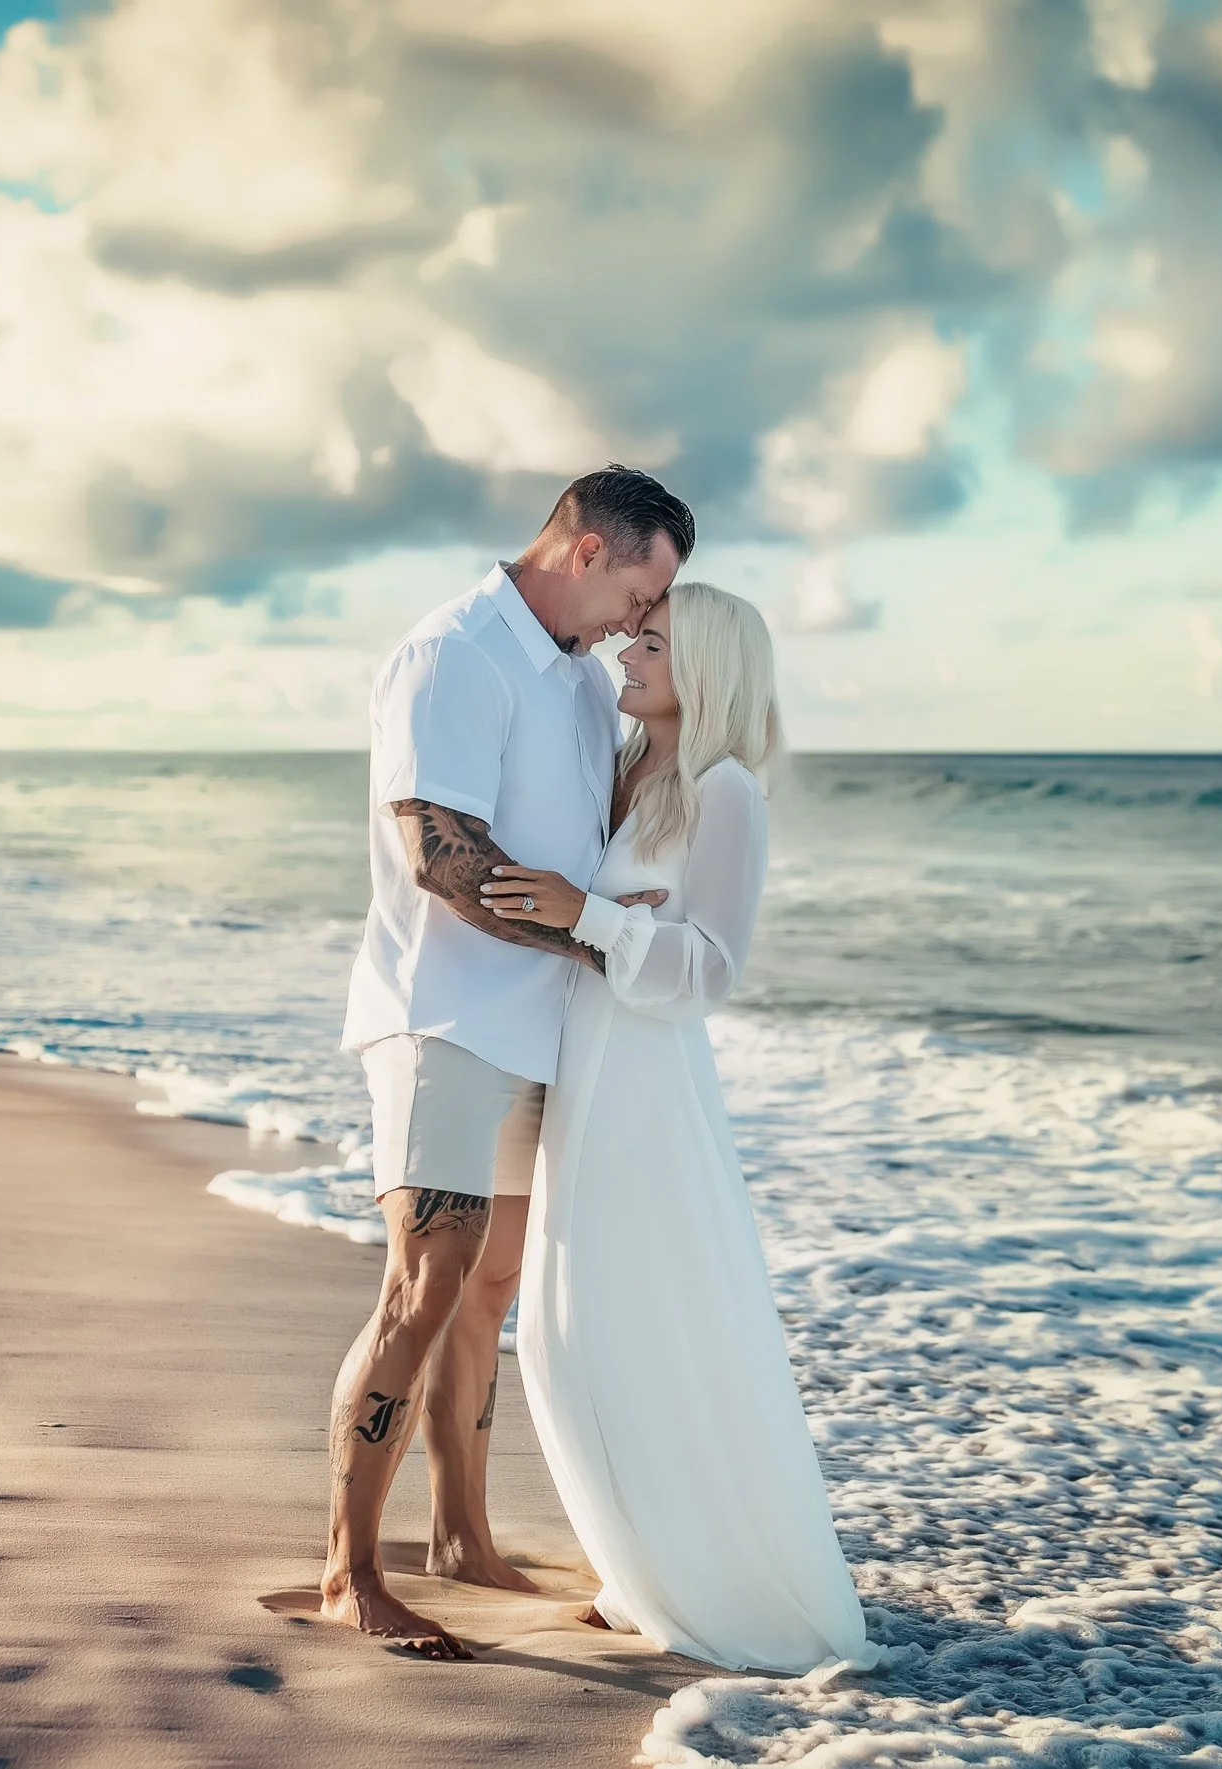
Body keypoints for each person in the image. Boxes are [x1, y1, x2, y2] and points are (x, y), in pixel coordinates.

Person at [324, 465, 693, 1659]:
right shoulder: (451, 655)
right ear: (588, 549)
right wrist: (591, 930)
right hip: (444, 1016)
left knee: (489, 1292)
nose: (646, 618)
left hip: (544, 1027)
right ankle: (348, 1571)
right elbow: (444, 854)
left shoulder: (585, 686)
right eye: (646, 585)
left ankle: (461, 1536)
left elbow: (593, 849)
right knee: (423, 1285)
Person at [480, 583, 880, 1675]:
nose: (627, 650)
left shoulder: (725, 788)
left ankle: (710, 1584)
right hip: (586, 1066)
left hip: (646, 1085)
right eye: (634, 633)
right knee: (571, 1334)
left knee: (624, 1325)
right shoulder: (625, 770)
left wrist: (592, 913)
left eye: (652, 640)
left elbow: (710, 971)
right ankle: (637, 1566)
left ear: (704, 664)